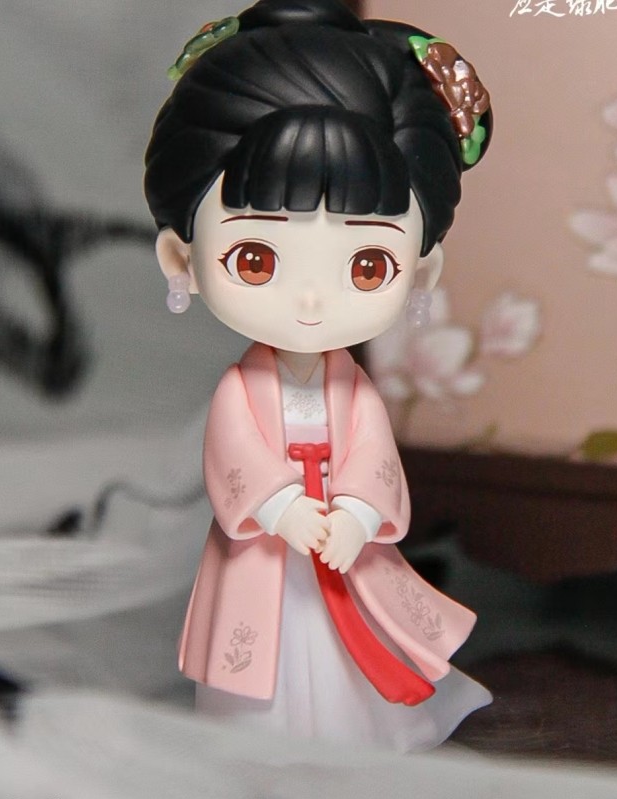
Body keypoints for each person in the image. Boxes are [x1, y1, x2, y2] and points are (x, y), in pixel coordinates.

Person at [144, 0, 493, 752]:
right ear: (182, 260)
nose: (309, 301)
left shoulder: (353, 392)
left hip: (343, 542)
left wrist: (360, 514)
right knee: (267, 668)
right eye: (256, 260)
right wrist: (279, 508)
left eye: (367, 266)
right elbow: (234, 461)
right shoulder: (241, 392)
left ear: (420, 272)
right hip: (269, 546)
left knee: (350, 664)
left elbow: (374, 461)